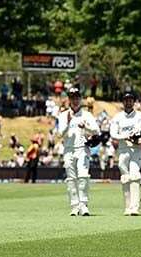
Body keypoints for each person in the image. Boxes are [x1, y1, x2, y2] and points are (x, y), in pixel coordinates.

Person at [110, 92, 141, 216]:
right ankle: (128, 205)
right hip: (123, 149)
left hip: (136, 149)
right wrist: (126, 136)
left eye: (130, 100)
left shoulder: (140, 116)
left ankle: (135, 206)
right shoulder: (118, 117)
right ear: (123, 102)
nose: (128, 102)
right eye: (126, 100)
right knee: (125, 178)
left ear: (134, 102)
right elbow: (113, 134)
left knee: (135, 176)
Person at [56, 87, 100, 216]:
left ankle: (84, 205)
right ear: (69, 100)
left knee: (83, 176)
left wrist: (86, 126)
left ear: (80, 99)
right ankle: (74, 206)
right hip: (69, 149)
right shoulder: (63, 115)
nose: (75, 100)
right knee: (71, 179)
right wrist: (68, 123)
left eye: (77, 97)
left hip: (82, 148)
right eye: (72, 98)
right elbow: (59, 134)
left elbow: (96, 131)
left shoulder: (86, 114)